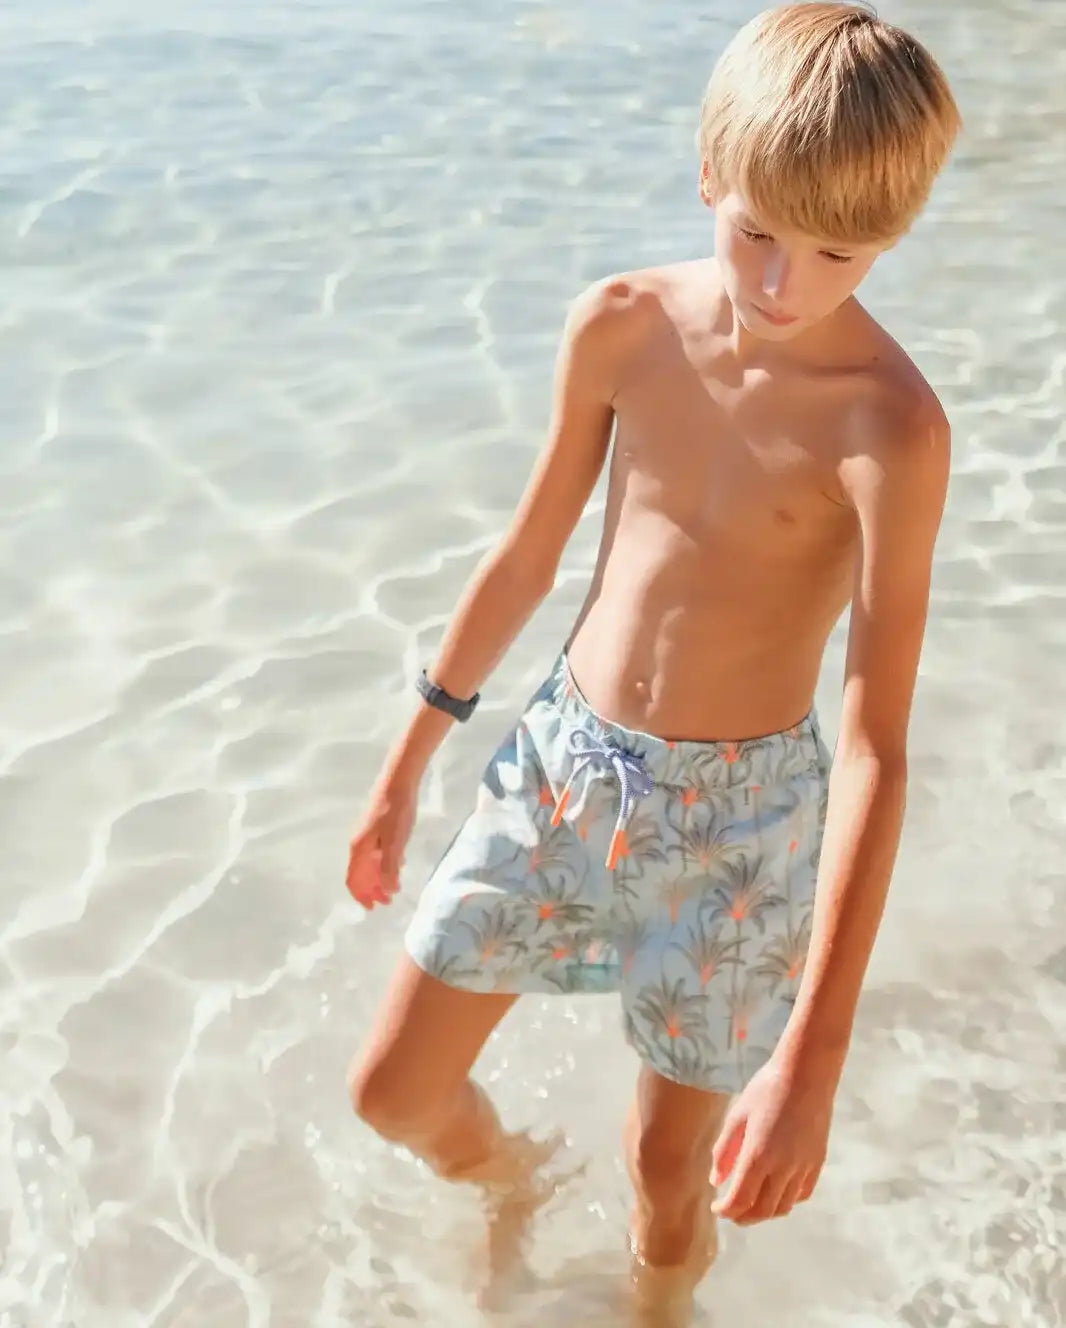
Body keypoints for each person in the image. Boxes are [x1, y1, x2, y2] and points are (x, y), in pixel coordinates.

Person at [345, 2, 961, 1317]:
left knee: (664, 1168)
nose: (781, 285)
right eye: (753, 234)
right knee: (393, 1090)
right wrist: (410, 759)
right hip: (561, 763)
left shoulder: (888, 429)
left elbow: (873, 747)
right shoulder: (621, 324)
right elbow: (523, 557)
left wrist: (812, 1057)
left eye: (838, 251)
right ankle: (509, 1183)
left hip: (743, 825)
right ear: (705, 174)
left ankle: (656, 1308)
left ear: (894, 235)